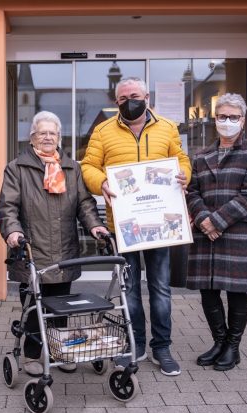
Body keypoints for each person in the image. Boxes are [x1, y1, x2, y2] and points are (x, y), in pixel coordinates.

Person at [81, 77, 191, 376]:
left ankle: (162, 347)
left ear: (146, 97)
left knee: (160, 288)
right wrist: (101, 182)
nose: (129, 101)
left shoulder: (167, 127)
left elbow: (181, 159)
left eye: (134, 96)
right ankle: (135, 343)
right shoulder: (103, 130)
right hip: (124, 223)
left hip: (160, 223)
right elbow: (88, 165)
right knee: (129, 288)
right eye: (122, 98)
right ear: (116, 101)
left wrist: (184, 173)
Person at [0, 111, 109, 376]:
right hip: (31, 250)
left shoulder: (71, 168)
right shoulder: (17, 168)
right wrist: (12, 231)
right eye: (42, 133)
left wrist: (95, 225)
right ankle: (32, 355)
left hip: (64, 250)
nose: (47, 137)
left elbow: (84, 203)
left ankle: (60, 349)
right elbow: (7, 207)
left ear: (59, 137)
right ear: (32, 137)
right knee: (34, 309)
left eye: (52, 133)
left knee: (61, 307)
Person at [186, 93, 247, 371]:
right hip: (206, 232)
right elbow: (192, 192)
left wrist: (216, 222)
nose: (228, 121)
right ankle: (219, 342)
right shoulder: (201, 156)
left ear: (242, 121)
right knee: (208, 291)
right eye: (223, 116)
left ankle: (233, 347)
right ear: (215, 119)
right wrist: (203, 220)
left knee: (236, 292)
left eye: (234, 117)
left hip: (238, 231)